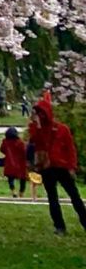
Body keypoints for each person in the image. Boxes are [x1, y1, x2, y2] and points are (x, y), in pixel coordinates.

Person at [27, 96, 86, 234]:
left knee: (74, 197)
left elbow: (70, 149)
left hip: (62, 166)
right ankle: (59, 226)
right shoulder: (37, 129)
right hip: (47, 167)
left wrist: (72, 166)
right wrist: (37, 126)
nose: (40, 116)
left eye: (42, 112)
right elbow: (35, 143)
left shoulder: (62, 129)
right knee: (52, 198)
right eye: (38, 113)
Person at [0, 126, 30, 197]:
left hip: (10, 162)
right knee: (23, 179)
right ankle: (21, 193)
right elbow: (24, 151)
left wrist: (7, 153)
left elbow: (2, 149)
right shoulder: (20, 142)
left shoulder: (5, 142)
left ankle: (13, 191)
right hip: (20, 163)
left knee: (10, 178)